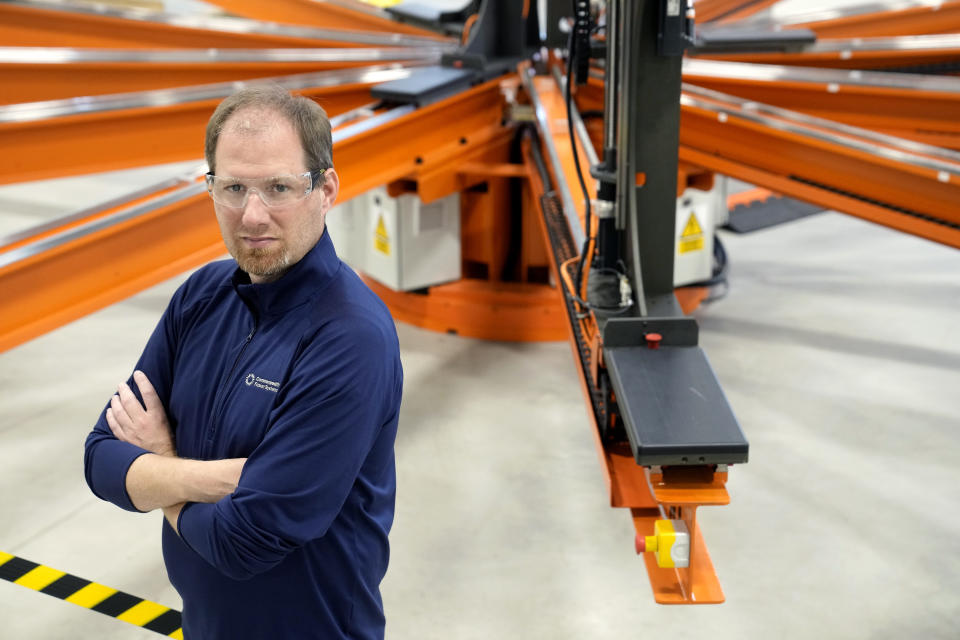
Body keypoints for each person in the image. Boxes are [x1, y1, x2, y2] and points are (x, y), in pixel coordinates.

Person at [84, 85, 403, 639]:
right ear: (210, 188)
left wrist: (159, 460)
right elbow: (100, 460)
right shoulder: (202, 296)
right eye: (233, 187)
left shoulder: (351, 337)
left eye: (278, 187)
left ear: (325, 189)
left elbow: (242, 545)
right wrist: (223, 479)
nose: (252, 215)